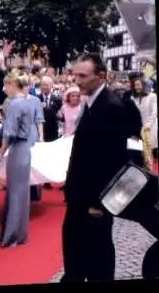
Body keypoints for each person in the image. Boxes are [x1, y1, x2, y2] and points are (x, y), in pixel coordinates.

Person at [61, 53, 128, 282]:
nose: (77, 81)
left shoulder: (111, 107)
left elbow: (112, 161)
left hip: (93, 205)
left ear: (100, 77)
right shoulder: (93, 102)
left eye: (82, 76)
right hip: (80, 200)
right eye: (75, 75)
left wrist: (98, 204)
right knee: (76, 262)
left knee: (98, 264)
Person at [0, 73, 33, 247]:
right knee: (19, 193)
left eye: (5, 85)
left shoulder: (15, 104)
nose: (4, 89)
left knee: (15, 193)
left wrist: (0, 152)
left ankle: (11, 236)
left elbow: (10, 133)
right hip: (24, 150)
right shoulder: (27, 102)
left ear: (11, 84)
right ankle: (16, 234)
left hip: (17, 149)